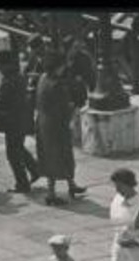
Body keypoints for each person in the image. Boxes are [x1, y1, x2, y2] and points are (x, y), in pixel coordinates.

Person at [34, 50, 87, 206]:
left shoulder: (43, 79)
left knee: (50, 155)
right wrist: (73, 109)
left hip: (43, 121)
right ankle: (51, 193)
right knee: (60, 155)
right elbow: (64, 108)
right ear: (58, 67)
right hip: (56, 124)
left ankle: (71, 185)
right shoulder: (57, 85)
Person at [0, 51, 39, 194]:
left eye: (1, 65)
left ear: (8, 65)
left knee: (12, 154)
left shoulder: (9, 80)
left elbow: (3, 102)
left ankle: (22, 184)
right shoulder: (20, 77)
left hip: (12, 122)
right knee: (19, 148)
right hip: (21, 120)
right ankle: (36, 170)